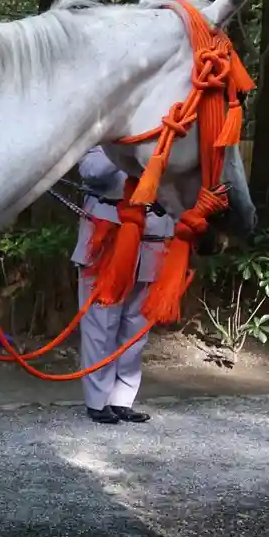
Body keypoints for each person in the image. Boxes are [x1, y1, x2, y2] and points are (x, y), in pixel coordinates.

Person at [70, 146, 174, 425]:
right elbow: (91, 171)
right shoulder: (106, 142)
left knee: (136, 327)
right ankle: (98, 400)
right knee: (101, 324)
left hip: (152, 238)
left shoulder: (169, 143)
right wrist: (128, 150)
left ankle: (122, 399)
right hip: (108, 239)